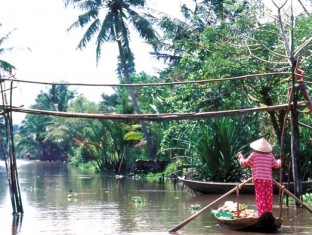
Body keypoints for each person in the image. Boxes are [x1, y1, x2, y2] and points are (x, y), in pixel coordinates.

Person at [236, 138, 282, 217]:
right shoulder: (270, 155)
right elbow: (276, 165)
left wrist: (240, 156)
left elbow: (244, 163)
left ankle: (261, 214)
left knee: (260, 197)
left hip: (259, 179)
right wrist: (279, 161)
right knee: (268, 197)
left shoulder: (254, 155)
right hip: (268, 179)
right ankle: (268, 214)